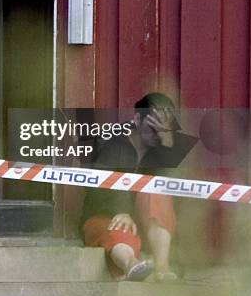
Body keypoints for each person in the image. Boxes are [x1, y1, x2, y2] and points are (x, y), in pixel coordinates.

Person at [81, 92, 197, 282]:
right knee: (121, 230)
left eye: (163, 128)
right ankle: (132, 265)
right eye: (152, 127)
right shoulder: (114, 144)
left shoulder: (160, 150)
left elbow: (175, 185)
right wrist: (121, 210)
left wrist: (167, 142)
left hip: (148, 225)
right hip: (105, 217)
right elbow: (101, 187)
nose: (156, 134)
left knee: (156, 192)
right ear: (136, 119)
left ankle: (162, 268)